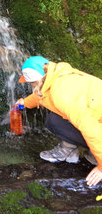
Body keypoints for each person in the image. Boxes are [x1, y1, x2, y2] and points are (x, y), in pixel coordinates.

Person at [17, 55, 102, 187]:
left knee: (53, 121)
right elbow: (43, 95)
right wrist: (24, 103)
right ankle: (88, 152)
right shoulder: (58, 76)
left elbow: (90, 128)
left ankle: (74, 151)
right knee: (57, 118)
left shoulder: (62, 92)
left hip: (96, 128)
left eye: (31, 82)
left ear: (36, 80)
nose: (30, 85)